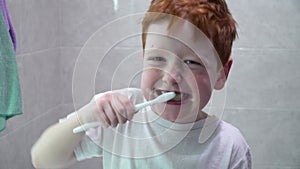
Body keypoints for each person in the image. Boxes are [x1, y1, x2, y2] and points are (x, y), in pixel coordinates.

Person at [31, 0, 251, 168]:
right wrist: (88, 115)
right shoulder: (120, 118)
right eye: (157, 58)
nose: (171, 76)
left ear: (222, 74)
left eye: (191, 62)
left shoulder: (230, 147)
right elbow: (42, 159)